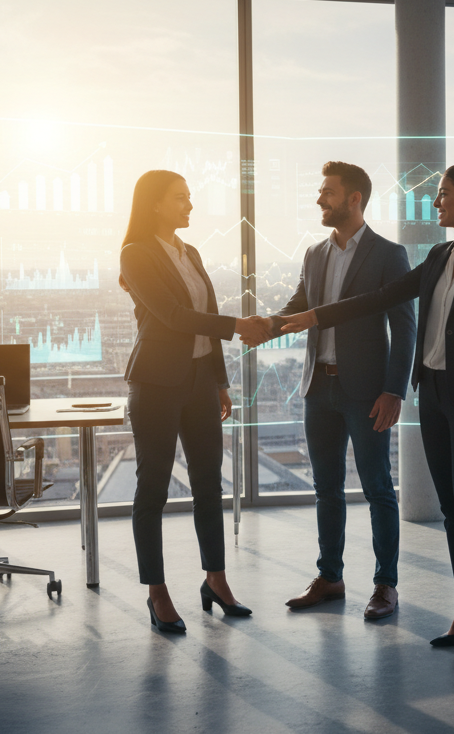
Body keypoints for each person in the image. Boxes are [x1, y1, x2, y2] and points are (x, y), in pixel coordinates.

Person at [278, 164, 454, 665]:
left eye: (444, 195)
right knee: (452, 509)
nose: (436, 203)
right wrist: (314, 316)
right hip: (432, 393)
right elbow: (381, 298)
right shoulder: (439, 255)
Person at [119, 169, 267, 633]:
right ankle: (157, 592)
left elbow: (200, 319)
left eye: (189, 197)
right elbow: (176, 317)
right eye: (180, 198)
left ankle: (216, 581)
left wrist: (220, 381)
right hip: (157, 386)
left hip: (200, 383)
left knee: (208, 485)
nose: (189, 205)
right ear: (155, 204)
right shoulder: (135, 254)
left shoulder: (192, 252)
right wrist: (239, 325)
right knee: (153, 490)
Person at [270, 161, 416, 620]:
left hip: (366, 392)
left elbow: (405, 327)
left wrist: (394, 391)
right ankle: (330, 577)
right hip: (319, 387)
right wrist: (262, 326)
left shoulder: (388, 254)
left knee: (378, 487)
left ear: (354, 198)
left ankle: (385, 585)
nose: (319, 199)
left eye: (327, 192)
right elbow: (299, 308)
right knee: (326, 488)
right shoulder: (315, 254)